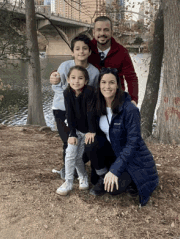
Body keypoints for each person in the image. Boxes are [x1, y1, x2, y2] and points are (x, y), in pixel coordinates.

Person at [85, 68, 159, 206]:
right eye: (104, 82)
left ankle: (130, 179)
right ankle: (102, 177)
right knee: (91, 141)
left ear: (118, 85)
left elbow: (133, 143)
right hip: (113, 152)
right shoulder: (97, 105)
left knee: (113, 189)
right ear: (99, 84)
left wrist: (115, 170)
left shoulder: (129, 110)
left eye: (112, 82)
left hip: (132, 157)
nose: (107, 86)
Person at [50, 16, 138, 104]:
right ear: (93, 32)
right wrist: (55, 74)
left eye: (106, 30)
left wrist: (133, 99)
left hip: (115, 98)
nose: (102, 33)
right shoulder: (86, 47)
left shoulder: (122, 52)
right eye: (99, 30)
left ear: (112, 32)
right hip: (92, 101)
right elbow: (74, 64)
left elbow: (131, 78)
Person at [51, 34, 99, 179]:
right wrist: (54, 80)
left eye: (85, 48)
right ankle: (68, 172)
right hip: (61, 109)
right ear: (72, 52)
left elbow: (93, 94)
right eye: (77, 49)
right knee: (69, 141)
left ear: (90, 52)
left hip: (81, 113)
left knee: (82, 142)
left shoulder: (94, 72)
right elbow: (57, 87)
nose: (81, 51)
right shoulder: (65, 66)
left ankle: (75, 168)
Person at [56, 66, 96, 196]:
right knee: (70, 154)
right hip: (76, 130)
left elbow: (91, 112)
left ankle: (83, 176)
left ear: (86, 80)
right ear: (68, 79)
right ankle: (68, 182)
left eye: (80, 78)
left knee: (79, 156)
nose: (76, 81)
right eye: (73, 78)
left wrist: (91, 131)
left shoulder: (90, 92)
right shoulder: (67, 93)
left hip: (89, 130)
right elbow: (69, 114)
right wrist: (72, 134)